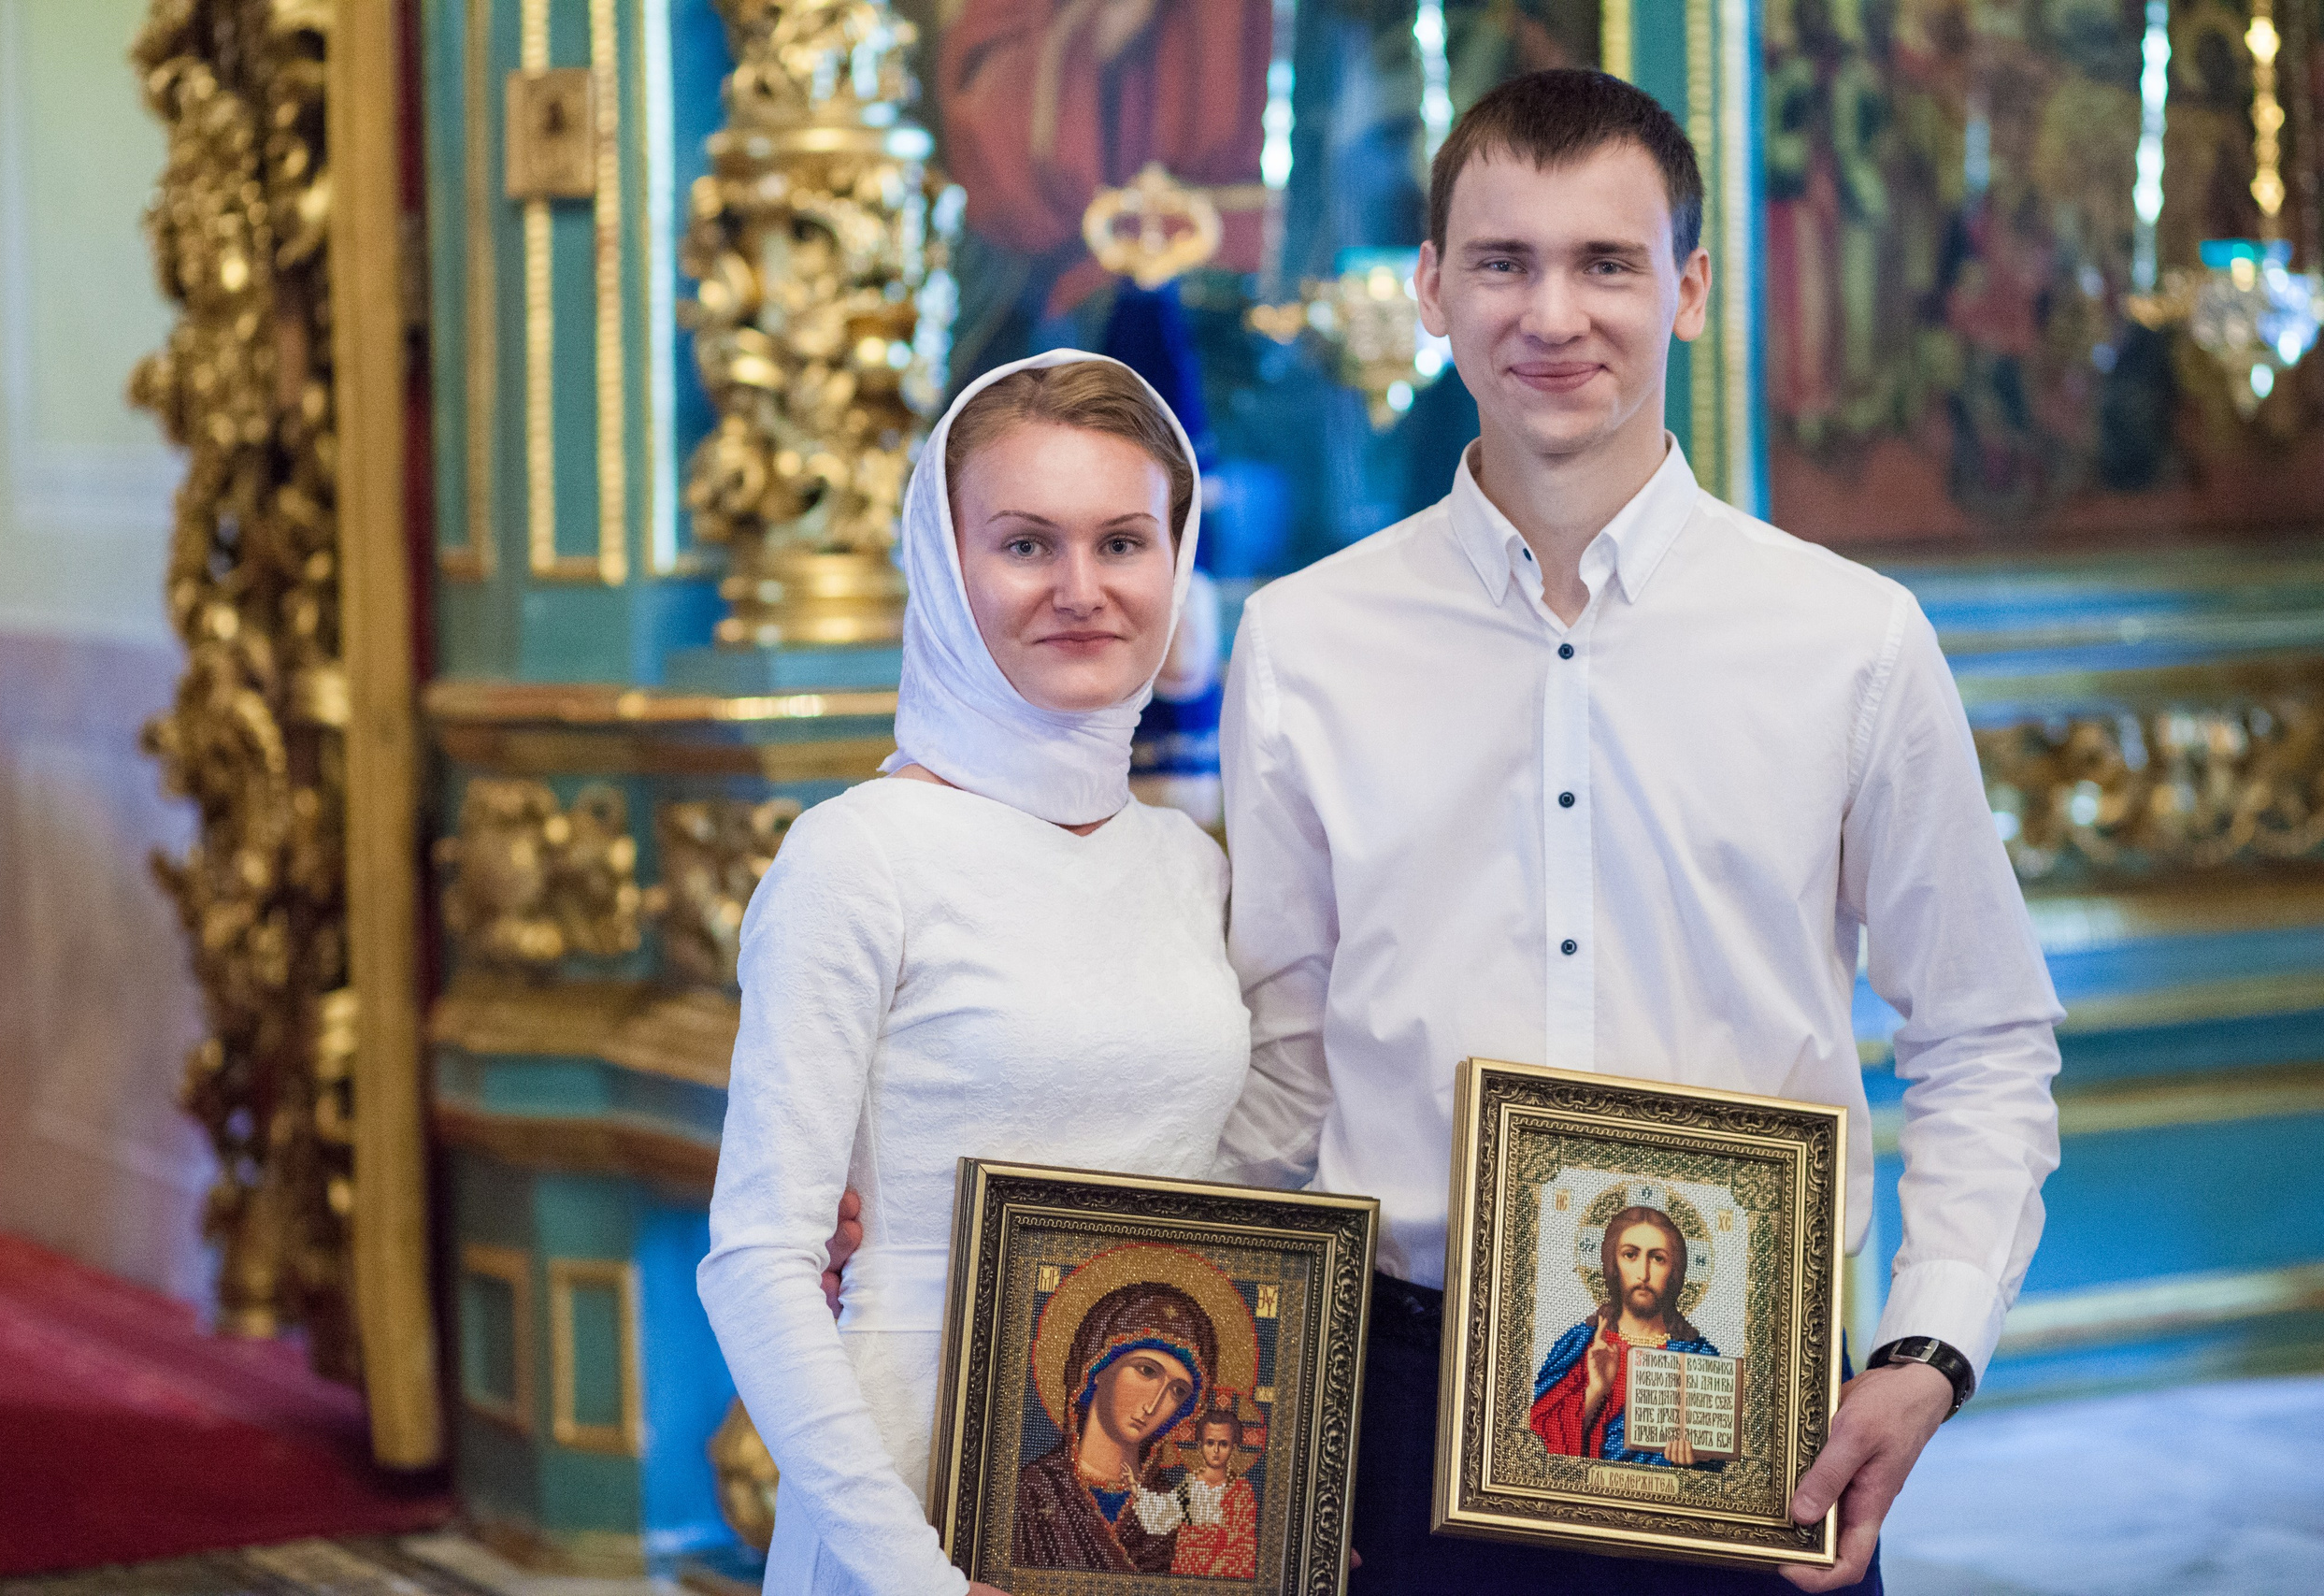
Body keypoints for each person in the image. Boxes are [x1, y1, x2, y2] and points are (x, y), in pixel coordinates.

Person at [1211, 68, 2062, 1593]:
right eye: (1503, 261)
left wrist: (1929, 1345)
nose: (1554, 315)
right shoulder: (1304, 640)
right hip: (1393, 1410)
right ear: (1432, 287)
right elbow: (1282, 1063)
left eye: (1606, 262)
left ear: (1689, 287)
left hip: (1751, 1398)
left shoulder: (1851, 639)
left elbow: (1984, 1028)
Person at [697, 351, 1251, 1596]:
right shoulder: (858, 855)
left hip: (1153, 1521)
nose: (1080, 589)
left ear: (1176, 560)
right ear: (945, 568)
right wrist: (915, 1575)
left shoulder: (1187, 863)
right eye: (1025, 544)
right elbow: (757, 1261)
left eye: (1122, 542)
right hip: (907, 1507)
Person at [1011, 1280, 1217, 1573]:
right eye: (1147, 1370)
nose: (1154, 1405)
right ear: (1098, 1367)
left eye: (1177, 1391)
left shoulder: (1170, 1505)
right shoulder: (1034, 1491)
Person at [1528, 1205, 1718, 1465]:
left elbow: (1722, 1451)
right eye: (1630, 1255)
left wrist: (1698, 1460)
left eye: (1658, 1258)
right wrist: (1595, 1391)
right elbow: (1534, 1444)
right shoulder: (1580, 1345)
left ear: (1674, 1270)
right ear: (1613, 1264)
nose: (1644, 1274)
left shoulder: (1699, 1357)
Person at [1169, 1399, 1261, 1577]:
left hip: (1224, 1573)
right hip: (1186, 1569)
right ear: (1199, 1446)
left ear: (1234, 1447)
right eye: (1210, 1443)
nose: (1216, 1450)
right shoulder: (1188, 1486)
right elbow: (1166, 1522)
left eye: (1223, 1444)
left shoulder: (1241, 1492)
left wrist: (1215, 1571)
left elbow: (1243, 1543)